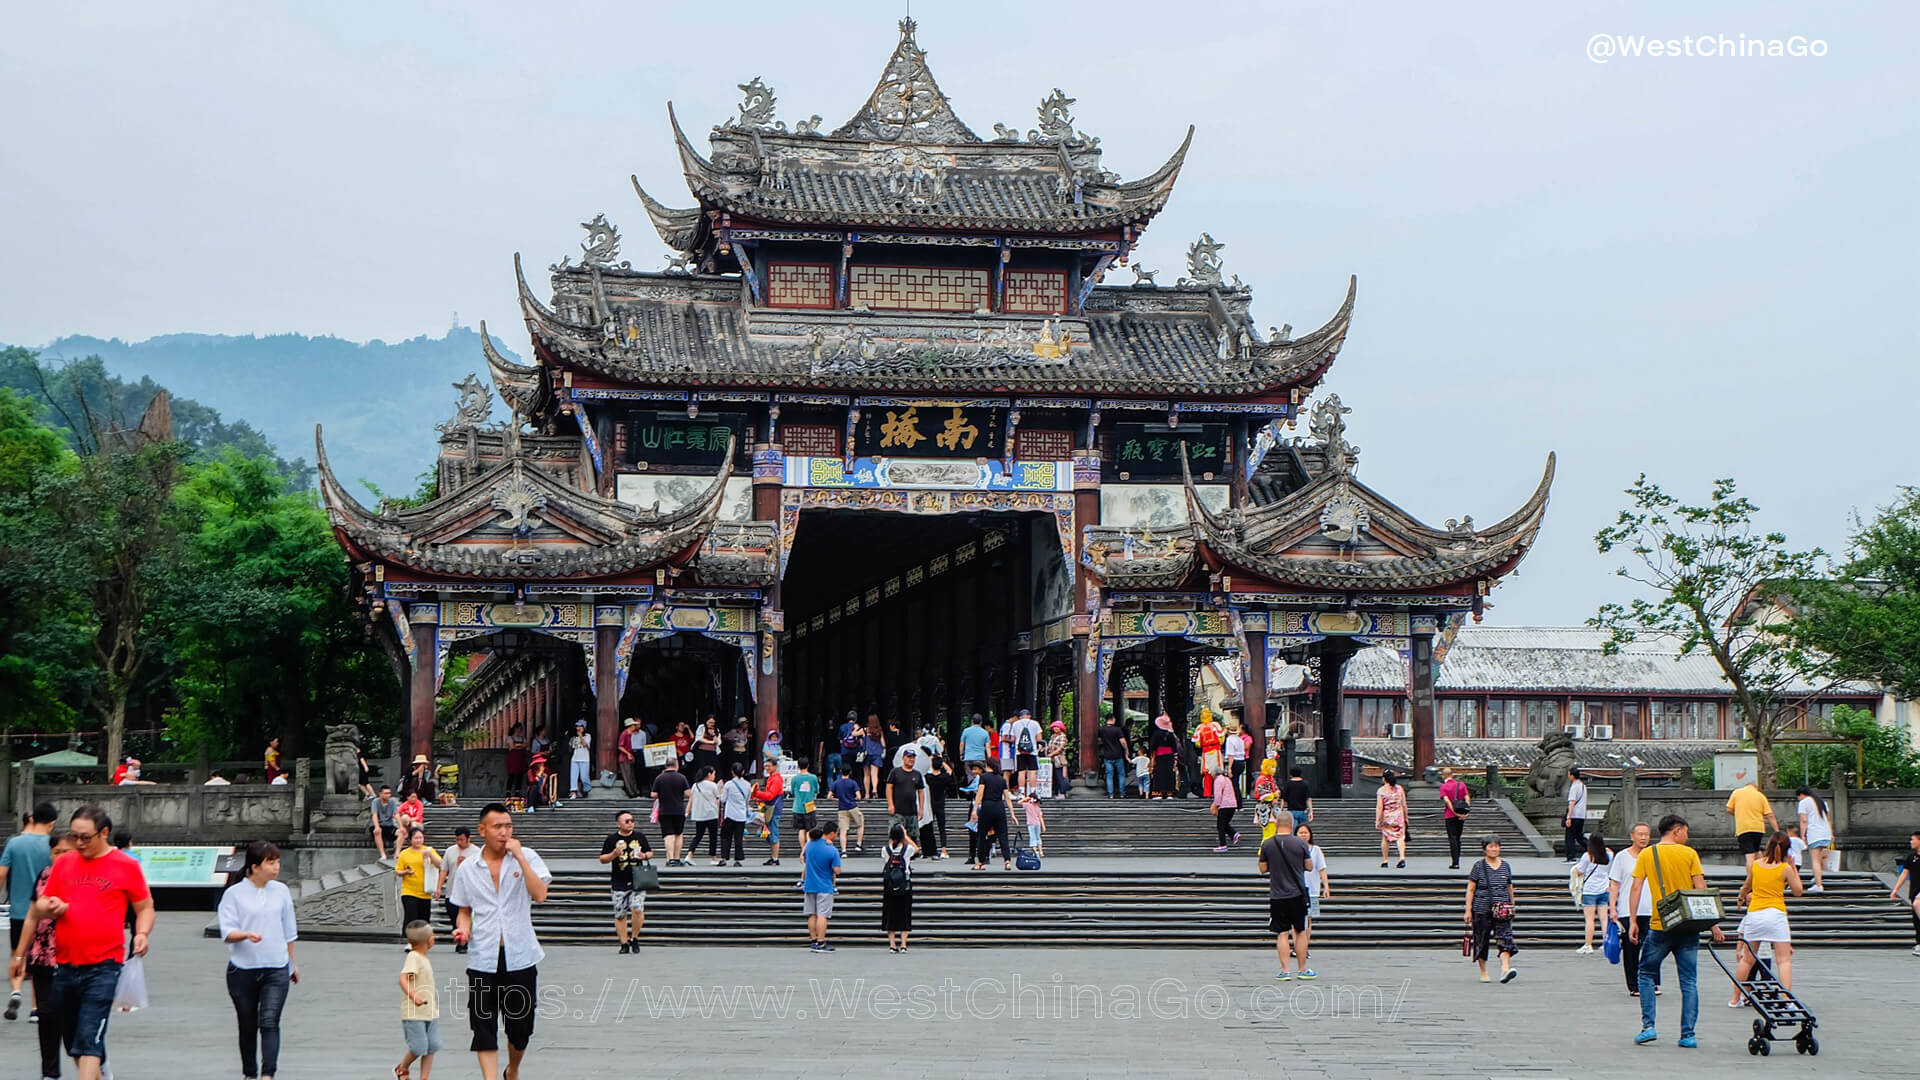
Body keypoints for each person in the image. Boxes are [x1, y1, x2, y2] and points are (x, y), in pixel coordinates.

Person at [9, 805, 154, 1080]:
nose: (79, 843)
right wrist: (50, 905)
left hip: (104, 965)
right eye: (75, 836)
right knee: (73, 1043)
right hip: (64, 965)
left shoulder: (126, 865)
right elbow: (40, 903)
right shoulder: (65, 862)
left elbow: (145, 906)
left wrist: (142, 933)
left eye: (86, 837)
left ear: (105, 832)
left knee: (89, 1039)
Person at [447, 803, 551, 1080]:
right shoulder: (468, 868)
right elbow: (464, 911)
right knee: (483, 1026)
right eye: (497, 827)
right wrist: (463, 930)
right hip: (482, 958)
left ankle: (512, 1070)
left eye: (508, 826)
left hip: (520, 957)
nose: (504, 832)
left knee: (521, 1029)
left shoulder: (526, 856)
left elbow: (540, 894)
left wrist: (520, 858)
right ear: (482, 830)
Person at [1627, 813, 1728, 1048]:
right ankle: (1688, 1035)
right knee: (1689, 981)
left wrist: (1632, 920)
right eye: (1686, 831)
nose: (1687, 835)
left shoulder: (1648, 854)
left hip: (1660, 924)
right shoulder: (1689, 854)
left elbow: (1636, 887)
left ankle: (1648, 1026)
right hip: (1688, 925)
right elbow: (1701, 888)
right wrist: (1713, 924)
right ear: (1677, 831)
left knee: (1645, 974)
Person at [219, 840, 299, 1080]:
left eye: (277, 862)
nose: (276, 867)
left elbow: (289, 931)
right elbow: (227, 932)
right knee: (247, 1025)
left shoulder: (281, 891)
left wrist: (292, 964)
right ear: (254, 866)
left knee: (269, 1021)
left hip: (276, 967)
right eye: (270, 862)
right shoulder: (234, 894)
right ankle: (250, 1073)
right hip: (243, 970)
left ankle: (268, 1074)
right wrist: (245, 934)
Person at [14, 827, 77, 1080]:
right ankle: (50, 1072)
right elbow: (31, 917)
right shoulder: (44, 875)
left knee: (73, 1022)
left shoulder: (85, 877)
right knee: (47, 1016)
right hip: (43, 955)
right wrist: (19, 955)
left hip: (75, 957)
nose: (60, 856)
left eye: (66, 852)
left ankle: (94, 1068)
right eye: (56, 851)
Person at [1729, 831, 1803, 1007]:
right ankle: (1786, 1000)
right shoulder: (1784, 868)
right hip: (1776, 914)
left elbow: (1746, 886)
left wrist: (1740, 899)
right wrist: (1793, 868)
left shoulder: (1756, 865)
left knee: (1747, 959)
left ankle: (1735, 998)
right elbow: (1798, 891)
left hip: (1755, 914)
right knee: (1783, 960)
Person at [2, 801, 57, 1020]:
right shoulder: (53, 845)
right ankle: (36, 1007)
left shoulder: (14, 844)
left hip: (18, 909)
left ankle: (16, 990)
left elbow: (1, 873)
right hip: (44, 910)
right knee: (39, 957)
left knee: (18, 952)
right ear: (52, 823)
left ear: (32, 819)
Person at [1257, 822, 1314, 980]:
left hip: (1277, 895)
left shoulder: (1268, 844)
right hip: (1297, 894)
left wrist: (1275, 865)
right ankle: (1302, 970)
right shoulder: (1300, 843)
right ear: (1290, 824)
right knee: (1300, 931)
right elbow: (1309, 866)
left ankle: (1285, 971)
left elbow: (1262, 868)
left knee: (1282, 933)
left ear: (1277, 825)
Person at [1608, 823, 1659, 997]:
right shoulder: (1622, 857)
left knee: (1653, 948)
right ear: (1632, 836)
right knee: (1631, 950)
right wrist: (1612, 907)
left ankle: (1653, 981)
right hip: (1627, 910)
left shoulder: (1654, 855)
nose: (1643, 838)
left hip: (1652, 908)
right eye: (1640, 834)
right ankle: (1634, 984)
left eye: (1646, 834)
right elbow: (1615, 884)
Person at [1464, 837, 1518, 983]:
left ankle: (1505, 969)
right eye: (1491, 846)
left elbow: (1509, 886)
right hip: (1481, 908)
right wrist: (1468, 910)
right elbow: (1471, 889)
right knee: (1481, 939)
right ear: (1485, 848)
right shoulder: (1478, 866)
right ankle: (1483, 971)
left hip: (1502, 910)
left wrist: (1512, 904)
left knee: (1505, 937)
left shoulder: (1505, 866)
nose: (1494, 849)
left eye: (1497, 846)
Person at [599, 810, 652, 954]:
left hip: (638, 879)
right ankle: (624, 942)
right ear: (618, 823)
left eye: (632, 820)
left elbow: (650, 853)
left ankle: (634, 937)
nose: (630, 823)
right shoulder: (611, 839)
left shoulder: (639, 837)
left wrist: (644, 855)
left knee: (637, 908)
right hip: (619, 880)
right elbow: (602, 859)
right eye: (627, 821)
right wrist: (614, 854)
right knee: (620, 914)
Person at [397, 919, 441, 1080]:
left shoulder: (423, 958)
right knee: (418, 1047)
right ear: (429, 940)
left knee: (432, 1046)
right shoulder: (414, 957)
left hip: (430, 1012)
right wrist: (414, 997)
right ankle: (402, 1068)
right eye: (433, 935)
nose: (434, 938)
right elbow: (403, 979)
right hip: (414, 1013)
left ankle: (424, 1077)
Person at [434, 827, 479, 954]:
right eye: (457, 839)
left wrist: (464, 864)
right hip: (452, 890)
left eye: (462, 840)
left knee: (466, 916)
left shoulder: (476, 852)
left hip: (470, 891)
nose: (460, 842)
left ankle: (463, 943)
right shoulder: (450, 851)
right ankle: (460, 936)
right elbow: (444, 870)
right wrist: (439, 887)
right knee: (454, 916)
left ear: (469, 839)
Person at [395, 827, 442, 945]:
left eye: (420, 837)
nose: (418, 840)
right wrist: (406, 872)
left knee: (423, 918)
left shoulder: (429, 850)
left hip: (425, 891)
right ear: (410, 839)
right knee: (411, 915)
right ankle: (409, 940)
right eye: (416, 838)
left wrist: (430, 856)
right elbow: (398, 871)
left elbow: (440, 865)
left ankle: (421, 941)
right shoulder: (405, 854)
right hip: (409, 891)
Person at [802, 823, 843, 952]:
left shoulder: (810, 845)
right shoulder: (832, 850)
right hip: (824, 886)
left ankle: (814, 940)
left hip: (809, 884)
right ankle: (821, 942)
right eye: (836, 833)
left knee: (811, 914)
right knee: (822, 915)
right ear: (831, 833)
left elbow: (804, 858)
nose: (836, 836)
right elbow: (837, 870)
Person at [968, 761, 1014, 871]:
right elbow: (1007, 797)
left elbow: (980, 794)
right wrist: (1012, 813)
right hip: (999, 807)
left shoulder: (984, 777)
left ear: (987, 766)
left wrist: (974, 810)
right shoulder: (1001, 779)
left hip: (987, 807)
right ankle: (1007, 861)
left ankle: (980, 862)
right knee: (1003, 835)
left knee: (982, 835)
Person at [1296, 822, 1330, 967]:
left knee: (1308, 920)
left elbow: (1322, 869)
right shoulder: (1294, 849)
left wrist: (1326, 886)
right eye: (1300, 832)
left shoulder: (1316, 850)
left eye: (1306, 832)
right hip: (1296, 889)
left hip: (1313, 890)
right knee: (1297, 920)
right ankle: (1296, 947)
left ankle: (1305, 947)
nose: (1303, 835)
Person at [1725, 779, 1779, 868]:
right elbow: (1770, 815)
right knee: (1757, 851)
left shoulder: (1737, 793)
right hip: (1758, 828)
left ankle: (1751, 879)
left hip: (1744, 828)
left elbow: (1729, 809)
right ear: (1756, 787)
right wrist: (1777, 831)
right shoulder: (1760, 796)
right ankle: (1764, 870)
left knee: (1750, 855)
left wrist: (1738, 813)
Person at [1574, 833, 1613, 954]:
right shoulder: (1609, 855)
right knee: (1604, 919)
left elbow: (1580, 870)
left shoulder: (1588, 856)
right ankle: (1606, 943)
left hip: (1590, 890)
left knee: (1590, 919)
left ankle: (1588, 944)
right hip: (1605, 889)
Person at [880, 823, 915, 953]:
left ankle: (892, 944)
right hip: (904, 886)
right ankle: (904, 944)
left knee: (890, 914)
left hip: (889, 887)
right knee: (905, 914)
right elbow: (917, 849)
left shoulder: (885, 850)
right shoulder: (908, 849)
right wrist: (906, 836)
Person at [651, 758, 690, 867]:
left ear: (665, 766)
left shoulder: (659, 778)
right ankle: (677, 858)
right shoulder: (682, 777)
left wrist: (662, 794)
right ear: (676, 765)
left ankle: (670, 858)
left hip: (665, 810)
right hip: (679, 810)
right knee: (678, 834)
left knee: (668, 835)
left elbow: (653, 794)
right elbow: (688, 793)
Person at [1794, 787, 1833, 893]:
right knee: (1819, 859)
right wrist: (1832, 834)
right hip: (1826, 833)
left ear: (1801, 794)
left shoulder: (1804, 802)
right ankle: (1817, 878)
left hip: (1815, 833)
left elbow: (1804, 820)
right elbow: (1828, 819)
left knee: (1815, 860)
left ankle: (1818, 885)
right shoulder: (1821, 802)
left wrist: (1803, 835)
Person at [886, 748, 925, 847]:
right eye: (909, 757)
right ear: (903, 758)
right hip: (898, 809)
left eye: (913, 757)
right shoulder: (895, 772)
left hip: (911, 810)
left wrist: (921, 808)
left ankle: (910, 852)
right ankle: (892, 851)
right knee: (894, 832)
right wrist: (890, 804)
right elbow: (889, 787)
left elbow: (921, 791)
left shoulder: (917, 774)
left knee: (912, 834)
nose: (911, 759)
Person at [751, 761, 786, 866]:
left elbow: (770, 796)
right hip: (771, 808)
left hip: (774, 809)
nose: (767, 768)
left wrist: (757, 793)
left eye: (769, 766)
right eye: (765, 766)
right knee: (771, 833)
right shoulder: (772, 778)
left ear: (775, 766)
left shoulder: (775, 779)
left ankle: (775, 858)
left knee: (773, 833)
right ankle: (773, 857)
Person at [1891, 831, 1920, 956]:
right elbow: (1904, 873)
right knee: (1916, 919)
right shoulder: (1911, 857)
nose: (1911, 842)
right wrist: (1896, 889)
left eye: (1913, 839)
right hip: (1914, 890)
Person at [718, 763, 753, 867]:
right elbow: (748, 799)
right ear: (743, 772)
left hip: (729, 814)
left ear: (732, 772)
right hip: (741, 815)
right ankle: (738, 859)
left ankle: (724, 858)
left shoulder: (728, 784)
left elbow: (723, 799)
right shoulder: (747, 785)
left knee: (725, 836)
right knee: (738, 837)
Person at [687, 766, 722, 866]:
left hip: (699, 814)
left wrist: (687, 811)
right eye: (714, 774)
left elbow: (692, 799)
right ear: (709, 774)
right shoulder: (713, 785)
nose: (714, 776)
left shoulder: (695, 785)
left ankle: (689, 854)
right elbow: (718, 798)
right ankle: (713, 857)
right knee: (713, 836)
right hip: (711, 814)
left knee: (698, 835)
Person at [1439, 768, 1472, 870]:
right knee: (1458, 837)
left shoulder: (1443, 787)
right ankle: (1457, 859)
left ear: (1443, 775)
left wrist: (1454, 812)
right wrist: (1465, 812)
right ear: (1452, 775)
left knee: (1452, 838)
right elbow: (1467, 798)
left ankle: (1455, 862)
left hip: (1450, 815)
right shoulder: (1461, 784)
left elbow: (1447, 801)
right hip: (1462, 815)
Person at [828, 765, 865, 855]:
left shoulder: (837, 783)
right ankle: (858, 845)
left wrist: (836, 799)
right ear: (850, 772)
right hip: (852, 806)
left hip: (842, 808)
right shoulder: (853, 783)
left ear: (841, 772)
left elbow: (829, 796)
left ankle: (844, 851)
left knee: (843, 830)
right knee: (860, 824)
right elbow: (859, 796)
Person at [1376, 770, 1408, 868]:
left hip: (1387, 817)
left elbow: (1380, 807)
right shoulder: (1399, 789)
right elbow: (1404, 804)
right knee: (1400, 837)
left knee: (1385, 838)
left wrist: (1378, 820)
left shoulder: (1381, 791)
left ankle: (1385, 860)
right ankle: (1402, 858)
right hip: (1398, 816)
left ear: (1384, 779)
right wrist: (1406, 816)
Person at [1096, 712, 1130, 799]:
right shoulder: (1117, 730)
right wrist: (1126, 751)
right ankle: (1122, 793)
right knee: (1121, 775)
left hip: (1107, 755)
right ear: (1112, 719)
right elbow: (1123, 742)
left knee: (1109, 775)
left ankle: (1110, 794)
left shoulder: (1101, 730)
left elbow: (1099, 740)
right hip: (1118, 755)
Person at [789, 757, 821, 849]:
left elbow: (792, 792)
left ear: (798, 766)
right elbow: (817, 790)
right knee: (809, 829)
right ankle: (809, 848)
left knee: (801, 829)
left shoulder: (795, 778)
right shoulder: (813, 777)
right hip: (809, 806)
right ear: (808, 765)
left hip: (797, 806)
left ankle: (803, 848)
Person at [1008, 709, 1043, 793]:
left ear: (1020, 716)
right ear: (1029, 715)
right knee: (1032, 772)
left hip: (1019, 751)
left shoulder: (1015, 724)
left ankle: (1021, 791)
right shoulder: (1035, 723)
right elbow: (1039, 738)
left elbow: (1012, 739)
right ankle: (1033, 791)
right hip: (1032, 751)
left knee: (1021, 772)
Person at [1148, 714, 1179, 799]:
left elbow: (1152, 746)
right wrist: (1175, 759)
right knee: (1169, 774)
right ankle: (1169, 793)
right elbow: (1175, 748)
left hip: (1159, 755)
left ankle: (1158, 793)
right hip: (1170, 756)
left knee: (1159, 774)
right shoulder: (1171, 735)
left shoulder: (1156, 734)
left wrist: (1152, 757)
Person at [1210, 764, 1239, 852]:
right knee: (1225, 823)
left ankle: (1223, 845)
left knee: (1220, 825)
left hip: (1224, 805)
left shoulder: (1218, 780)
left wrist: (1216, 805)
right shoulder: (1227, 779)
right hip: (1232, 804)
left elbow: (1218, 795)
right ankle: (1234, 834)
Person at [1564, 767, 1588, 862]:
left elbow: (1572, 802)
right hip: (1581, 815)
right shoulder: (1583, 786)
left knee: (1569, 836)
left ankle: (1571, 855)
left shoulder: (1574, 787)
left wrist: (1568, 817)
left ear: (1572, 775)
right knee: (1579, 836)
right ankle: (1592, 848)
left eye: (1569, 774)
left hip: (1574, 815)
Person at [1279, 766, 1313, 833]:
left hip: (1291, 811)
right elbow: (1308, 798)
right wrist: (1311, 811)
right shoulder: (1305, 784)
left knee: (1294, 831)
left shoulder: (1288, 784)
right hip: (1303, 811)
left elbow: (1283, 799)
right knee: (1303, 830)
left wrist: (1281, 810)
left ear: (1291, 774)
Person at [1223, 718, 1251, 798]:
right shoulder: (1240, 740)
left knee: (1233, 783)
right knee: (1236, 782)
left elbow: (1231, 755)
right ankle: (1239, 801)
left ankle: (1237, 802)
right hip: (1241, 761)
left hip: (1235, 762)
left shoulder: (1229, 740)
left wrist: (1229, 768)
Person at [370, 786, 400, 861]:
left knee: (402, 833)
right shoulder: (375, 802)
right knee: (377, 831)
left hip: (389, 826)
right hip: (378, 824)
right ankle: (383, 854)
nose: (388, 795)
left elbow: (396, 815)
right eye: (386, 793)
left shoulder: (392, 802)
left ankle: (397, 854)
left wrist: (401, 827)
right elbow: (374, 815)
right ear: (380, 794)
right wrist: (377, 826)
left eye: (389, 793)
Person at [616, 718, 643, 798]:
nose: (635, 726)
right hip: (624, 758)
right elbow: (620, 746)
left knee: (632, 776)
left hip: (629, 758)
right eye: (634, 725)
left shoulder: (630, 734)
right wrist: (628, 753)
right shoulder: (624, 734)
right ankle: (631, 793)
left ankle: (634, 791)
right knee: (627, 776)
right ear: (631, 726)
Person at [567, 719, 593, 800]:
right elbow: (571, 749)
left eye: (580, 726)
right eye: (577, 726)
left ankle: (587, 789)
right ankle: (573, 792)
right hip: (575, 759)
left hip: (584, 759)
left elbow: (585, 745)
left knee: (584, 777)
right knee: (573, 776)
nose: (578, 728)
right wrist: (570, 743)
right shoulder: (574, 737)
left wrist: (581, 736)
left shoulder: (588, 736)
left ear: (584, 727)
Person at [1044, 721, 1070, 798]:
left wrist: (1051, 754)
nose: (1055, 728)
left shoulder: (1063, 736)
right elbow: (1049, 746)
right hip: (1052, 759)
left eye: (1057, 727)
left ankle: (1062, 792)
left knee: (1061, 776)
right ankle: (1055, 792)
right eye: (1054, 727)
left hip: (1059, 759)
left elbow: (1061, 748)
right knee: (1054, 776)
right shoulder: (1053, 736)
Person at [691, 716, 721, 782]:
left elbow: (718, 742)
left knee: (713, 768)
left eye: (713, 722)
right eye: (710, 722)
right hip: (702, 752)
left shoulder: (716, 730)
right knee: (702, 767)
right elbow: (699, 738)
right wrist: (711, 742)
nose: (711, 724)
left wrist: (713, 735)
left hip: (712, 752)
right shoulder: (701, 727)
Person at [504, 724, 528, 804]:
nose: (519, 731)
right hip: (513, 757)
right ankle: (508, 790)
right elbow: (512, 747)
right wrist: (519, 746)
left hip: (521, 757)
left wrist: (518, 746)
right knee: (512, 774)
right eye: (518, 729)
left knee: (520, 774)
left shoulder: (522, 738)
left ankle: (518, 790)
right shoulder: (510, 738)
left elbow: (525, 745)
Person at [1019, 790, 1048, 857]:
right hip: (1037, 823)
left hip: (1031, 823)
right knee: (1038, 837)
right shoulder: (1038, 807)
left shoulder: (1028, 805)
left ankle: (1035, 851)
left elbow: (1019, 802)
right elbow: (1041, 817)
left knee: (1033, 837)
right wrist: (1043, 826)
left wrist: (1026, 798)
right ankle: (1041, 851)